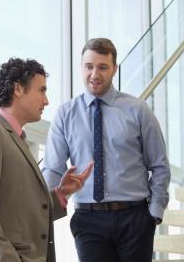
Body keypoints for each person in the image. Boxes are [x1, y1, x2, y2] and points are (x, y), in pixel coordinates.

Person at [41, 38, 170, 261]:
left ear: (114, 69)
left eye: (102, 67)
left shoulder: (137, 110)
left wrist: (154, 213)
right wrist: (42, 209)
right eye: (89, 67)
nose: (95, 74)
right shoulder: (65, 114)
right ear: (81, 67)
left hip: (135, 217)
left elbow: (159, 165)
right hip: (88, 218)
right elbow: (53, 169)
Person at [0, 57, 93, 262]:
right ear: (18, 89)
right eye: (41, 90)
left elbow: (18, 211)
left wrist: (60, 194)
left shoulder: (17, 139)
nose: (46, 100)